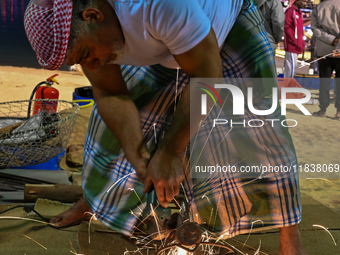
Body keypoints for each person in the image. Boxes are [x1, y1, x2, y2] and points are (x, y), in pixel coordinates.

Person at [24, 0, 308, 254]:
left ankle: (290, 238)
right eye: (80, 61)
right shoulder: (95, 34)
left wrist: (172, 151)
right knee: (107, 133)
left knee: (262, 129)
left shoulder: (157, 6)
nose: (91, 64)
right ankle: (94, 201)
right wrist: (141, 160)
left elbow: (208, 77)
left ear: (93, 15)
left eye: (87, 53)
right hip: (164, 41)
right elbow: (111, 94)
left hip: (226, 24)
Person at [311, 0, 340, 118]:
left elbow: (314, 28)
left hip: (323, 50)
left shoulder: (319, 7)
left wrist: (330, 39)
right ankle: (339, 111)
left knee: (324, 81)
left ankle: (322, 110)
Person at [283, 0, 307, 78]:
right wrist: (294, 40)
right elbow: (287, 27)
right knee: (290, 69)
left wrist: (301, 44)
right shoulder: (290, 11)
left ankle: (288, 87)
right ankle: (287, 88)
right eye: (303, 1)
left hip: (296, 46)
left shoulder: (299, 13)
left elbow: (300, 31)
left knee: (292, 69)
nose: (305, 3)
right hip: (291, 46)